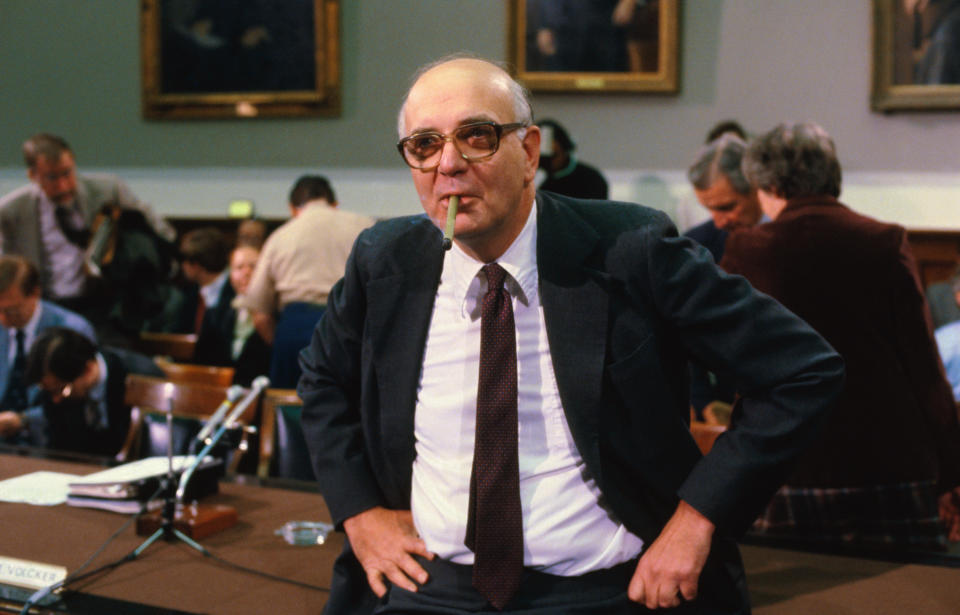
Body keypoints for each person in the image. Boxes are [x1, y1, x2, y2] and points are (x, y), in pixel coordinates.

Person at [298, 55, 843, 614]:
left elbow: (802, 370)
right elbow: (320, 380)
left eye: (477, 136)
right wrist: (360, 514)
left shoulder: (630, 249)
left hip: (604, 589)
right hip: (429, 586)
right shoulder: (383, 260)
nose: (449, 164)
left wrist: (696, 521)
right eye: (424, 145)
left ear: (529, 151)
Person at [721, 121, 960, 548]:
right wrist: (952, 468)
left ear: (768, 183)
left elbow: (728, 361)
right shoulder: (885, 241)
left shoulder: (749, 248)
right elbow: (923, 365)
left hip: (787, 462)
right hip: (891, 461)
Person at [0, 134, 176, 345]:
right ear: (33, 176)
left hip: (102, 306)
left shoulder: (107, 191)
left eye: (67, 173)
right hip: (47, 307)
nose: (64, 185)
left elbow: (163, 232)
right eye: (52, 178)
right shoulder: (12, 212)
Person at [236, 175, 373, 389]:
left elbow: (260, 313)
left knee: (288, 412)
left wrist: (282, 341)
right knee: (349, 409)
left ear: (292, 208)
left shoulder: (280, 236)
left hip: (293, 332)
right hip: (349, 327)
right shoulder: (364, 227)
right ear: (334, 204)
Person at [24, 326, 163, 456]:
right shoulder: (54, 385)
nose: (56, 399)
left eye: (63, 390)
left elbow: (152, 448)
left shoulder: (142, 378)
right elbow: (57, 447)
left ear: (88, 370)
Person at [0, 256, 96, 444]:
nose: (2, 319)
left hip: (50, 439)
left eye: (11, 310)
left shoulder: (72, 331)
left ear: (35, 293)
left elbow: (78, 400)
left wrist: (25, 421)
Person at [194, 244, 270, 386]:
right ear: (230, 275)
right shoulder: (214, 315)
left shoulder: (276, 317)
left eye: (253, 266)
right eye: (239, 267)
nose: (246, 272)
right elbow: (201, 362)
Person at [684, 133, 763, 264]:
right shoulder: (695, 247)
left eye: (726, 207)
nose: (719, 223)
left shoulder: (797, 237)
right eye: (708, 208)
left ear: (756, 186)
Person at [176, 227, 232, 336]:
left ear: (196, 265)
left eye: (184, 260)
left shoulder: (233, 292)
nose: (182, 266)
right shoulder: (190, 293)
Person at [535, 118, 608, 200]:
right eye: (542, 157)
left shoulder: (591, 179)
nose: (547, 162)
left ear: (564, 148)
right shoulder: (537, 179)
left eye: (553, 156)